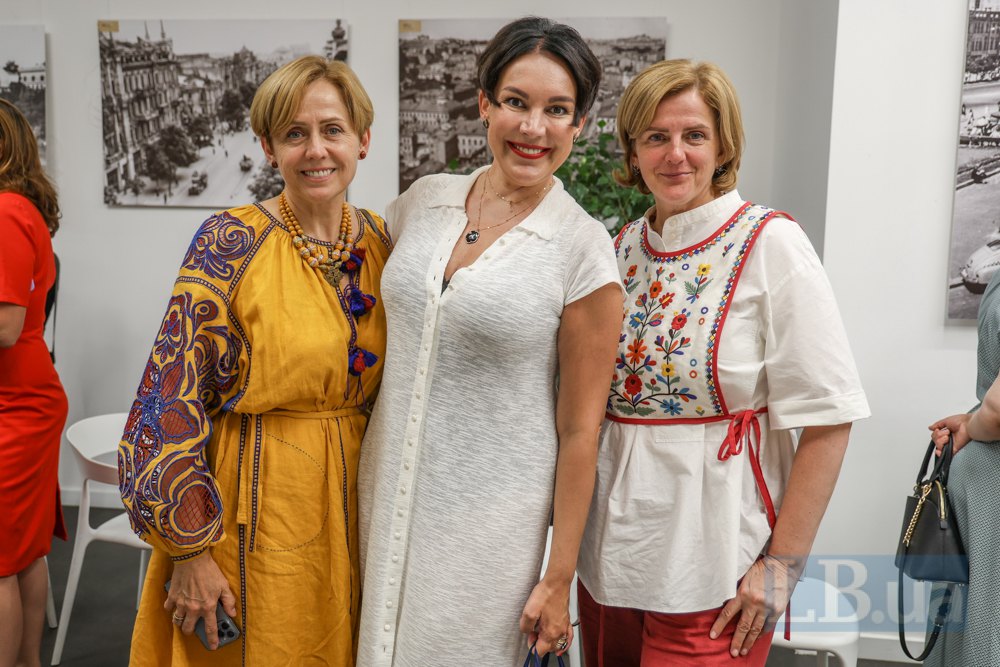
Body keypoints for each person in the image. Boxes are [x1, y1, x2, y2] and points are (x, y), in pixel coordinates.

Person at [575, 59, 871, 666]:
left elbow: (829, 418)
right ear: (633, 150)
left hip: (716, 567)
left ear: (724, 144)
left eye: (694, 135)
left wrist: (782, 566)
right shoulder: (621, 248)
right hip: (610, 561)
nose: (674, 154)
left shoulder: (771, 243)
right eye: (655, 137)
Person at [356, 17, 623, 667]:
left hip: (490, 531)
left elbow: (581, 431)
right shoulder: (424, 202)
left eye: (557, 110)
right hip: (384, 499)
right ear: (485, 103)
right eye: (516, 102)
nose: (534, 127)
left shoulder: (582, 247)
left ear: (578, 125)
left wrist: (558, 577)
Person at [118, 55, 389, 666]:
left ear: (363, 140)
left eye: (332, 130)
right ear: (268, 147)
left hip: (359, 505)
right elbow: (168, 399)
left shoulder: (381, 243)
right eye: (295, 134)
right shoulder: (229, 243)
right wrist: (190, 552)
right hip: (255, 503)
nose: (315, 149)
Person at [0, 97, 68, 667]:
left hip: (14, 404)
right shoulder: (19, 209)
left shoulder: (2, 213)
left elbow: (3, 325)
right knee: (22, 553)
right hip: (25, 396)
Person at [927, 269, 1000, 666]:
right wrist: (977, 422)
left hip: (985, 482)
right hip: (990, 487)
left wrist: (973, 425)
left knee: (975, 622)